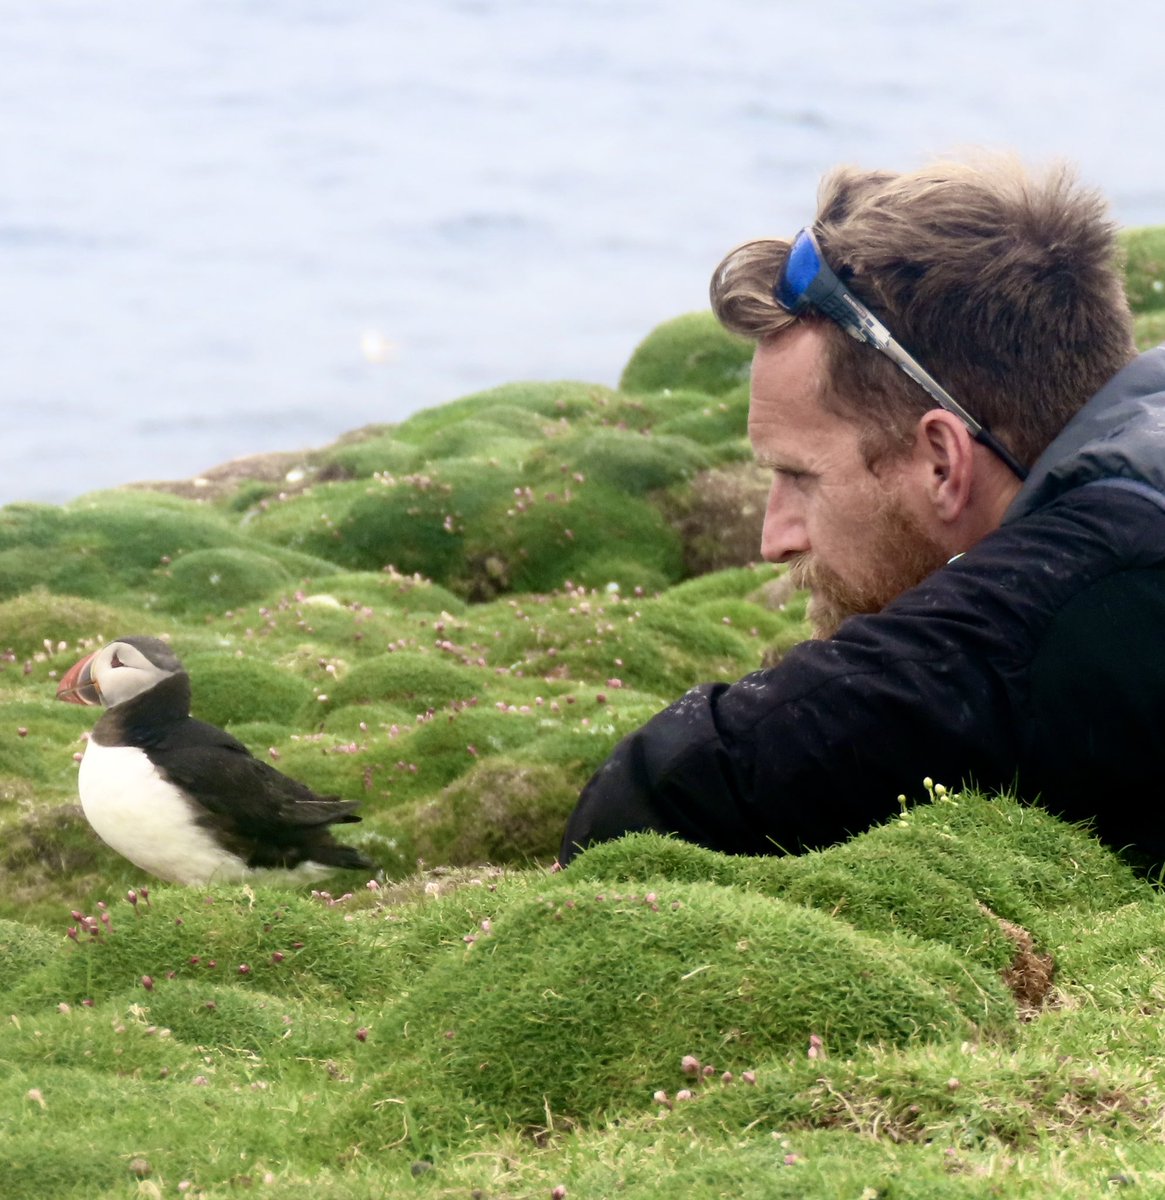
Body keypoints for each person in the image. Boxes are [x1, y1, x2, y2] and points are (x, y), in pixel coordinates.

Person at [560, 154, 1165, 870]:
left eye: (799, 476)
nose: (773, 539)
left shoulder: (1113, 579)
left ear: (941, 461)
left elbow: (677, 788)